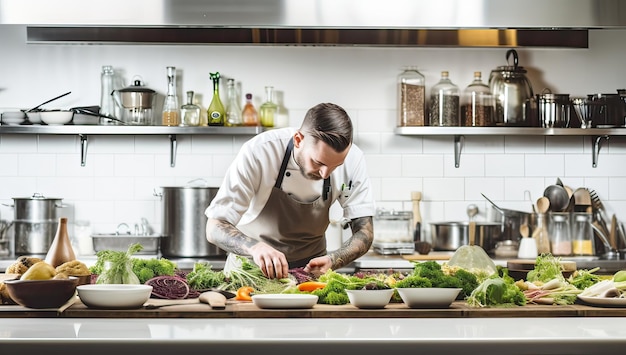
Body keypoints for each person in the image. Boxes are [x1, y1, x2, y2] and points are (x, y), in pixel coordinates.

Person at [205, 102, 376, 279]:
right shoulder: (259, 151)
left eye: (336, 166)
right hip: (248, 273)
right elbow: (215, 228)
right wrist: (255, 247)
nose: (326, 173)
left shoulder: (353, 159)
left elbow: (365, 233)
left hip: (309, 277)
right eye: (318, 163)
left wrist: (334, 260)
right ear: (298, 140)